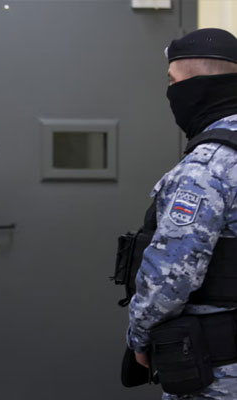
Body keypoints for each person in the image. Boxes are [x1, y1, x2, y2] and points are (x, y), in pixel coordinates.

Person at [127, 28, 237, 399]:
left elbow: (170, 276)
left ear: (199, 87)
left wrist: (140, 336)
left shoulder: (207, 167)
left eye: (173, 83)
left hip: (218, 372)